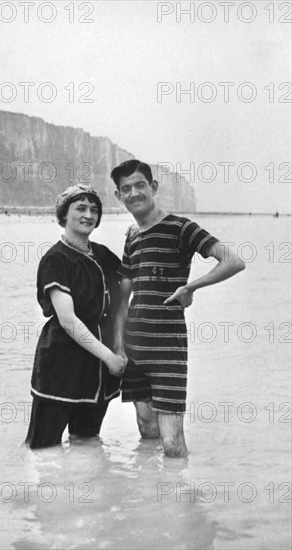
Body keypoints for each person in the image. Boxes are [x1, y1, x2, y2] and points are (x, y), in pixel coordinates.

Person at [111, 160, 246, 457]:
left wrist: (191, 287)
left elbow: (233, 261)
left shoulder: (181, 228)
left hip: (168, 347)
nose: (134, 193)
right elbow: (123, 295)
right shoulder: (132, 236)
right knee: (146, 430)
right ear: (119, 196)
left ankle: (181, 497)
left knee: (172, 444)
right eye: (126, 189)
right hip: (134, 346)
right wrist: (118, 345)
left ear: (153, 187)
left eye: (140, 185)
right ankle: (150, 496)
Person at [25, 184, 126, 449]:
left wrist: (184, 290)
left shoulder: (103, 254)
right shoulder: (56, 260)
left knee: (87, 444)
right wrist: (110, 357)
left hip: (98, 373)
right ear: (64, 216)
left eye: (94, 209)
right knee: (43, 448)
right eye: (80, 208)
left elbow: (129, 290)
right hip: (61, 366)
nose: (88, 215)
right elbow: (68, 321)